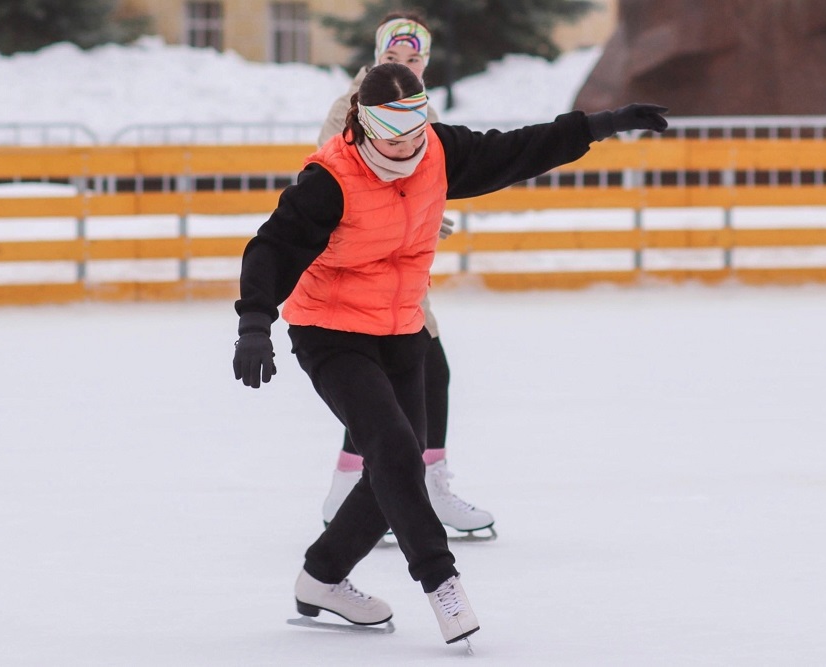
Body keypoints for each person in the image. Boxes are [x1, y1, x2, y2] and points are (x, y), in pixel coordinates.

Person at [232, 62, 667, 644]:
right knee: (391, 449)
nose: (409, 141)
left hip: (403, 329)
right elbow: (272, 248)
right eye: (395, 129)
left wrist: (599, 125)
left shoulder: (437, 152)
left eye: (417, 124)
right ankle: (442, 585)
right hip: (331, 331)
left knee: (396, 467)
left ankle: (322, 576)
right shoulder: (331, 179)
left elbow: (517, 149)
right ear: (364, 123)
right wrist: (255, 324)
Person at [316, 12, 495, 540]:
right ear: (377, 59)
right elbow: (328, 181)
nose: (404, 67)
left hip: (402, 269)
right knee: (404, 379)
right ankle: (384, 487)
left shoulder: (422, 109)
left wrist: (429, 214)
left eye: (414, 59)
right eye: (394, 59)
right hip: (360, 268)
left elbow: (427, 173)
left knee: (410, 378)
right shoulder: (350, 109)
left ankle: (373, 486)